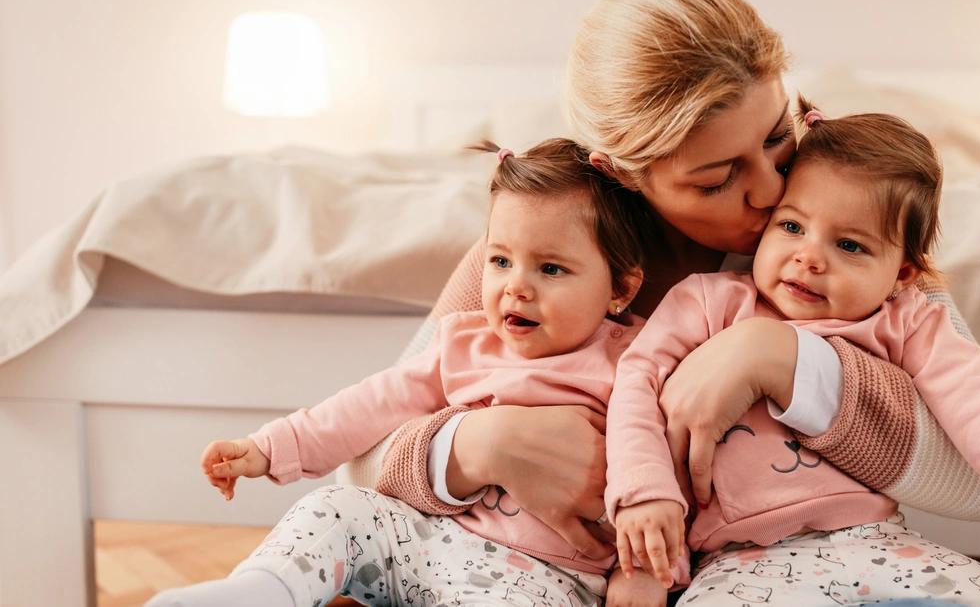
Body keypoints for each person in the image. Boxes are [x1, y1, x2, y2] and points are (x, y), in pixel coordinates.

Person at [367, 0, 980, 587]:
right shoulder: (538, 250)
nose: (770, 192)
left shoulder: (847, 226)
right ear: (621, 173)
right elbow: (359, 466)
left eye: (775, 136)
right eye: (718, 177)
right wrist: (477, 443)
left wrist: (786, 359)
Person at [605, 100, 980, 605]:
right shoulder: (708, 300)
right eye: (791, 227)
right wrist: (647, 541)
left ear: (903, 272)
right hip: (739, 558)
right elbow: (635, 391)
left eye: (851, 246)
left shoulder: (907, 318)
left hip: (874, 539)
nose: (808, 257)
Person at [147, 139, 667, 606]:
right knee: (336, 509)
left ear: (620, 289)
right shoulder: (463, 341)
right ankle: (259, 592)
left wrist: (642, 571)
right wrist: (268, 449)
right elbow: (367, 406)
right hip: (423, 537)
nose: (516, 287)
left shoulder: (635, 361)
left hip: (544, 578)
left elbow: (661, 475)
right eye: (501, 260)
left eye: (550, 269)